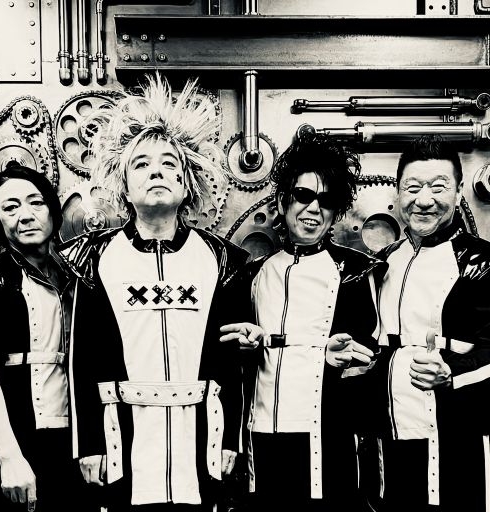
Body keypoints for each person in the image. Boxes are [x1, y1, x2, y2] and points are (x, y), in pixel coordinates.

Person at [58, 74, 249, 511]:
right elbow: (83, 358)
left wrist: (231, 438)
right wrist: (88, 444)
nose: (156, 171)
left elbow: (231, 362)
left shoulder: (222, 259)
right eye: (141, 164)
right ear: (124, 185)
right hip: (122, 434)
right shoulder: (95, 257)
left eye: (168, 162)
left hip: (202, 434)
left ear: (187, 182)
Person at [219, 136, 384, 511]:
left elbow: (372, 354)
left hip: (328, 436)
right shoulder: (250, 276)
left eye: (326, 200)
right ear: (282, 201)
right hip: (260, 432)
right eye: (303, 195)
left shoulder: (357, 274)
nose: (313, 208)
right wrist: (245, 347)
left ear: (336, 212)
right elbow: (225, 363)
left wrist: (350, 357)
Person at [371, 134, 490, 512]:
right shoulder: (381, 264)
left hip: (461, 441)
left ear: (458, 192)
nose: (424, 200)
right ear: (397, 192)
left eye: (438, 187)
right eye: (413, 187)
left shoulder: (484, 263)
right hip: (391, 439)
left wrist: (453, 374)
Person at [0, 164, 87, 511]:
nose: (26, 215)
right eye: (11, 207)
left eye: (36, 202)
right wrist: (10, 457)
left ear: (53, 210)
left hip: (73, 441)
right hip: (17, 439)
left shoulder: (77, 276)